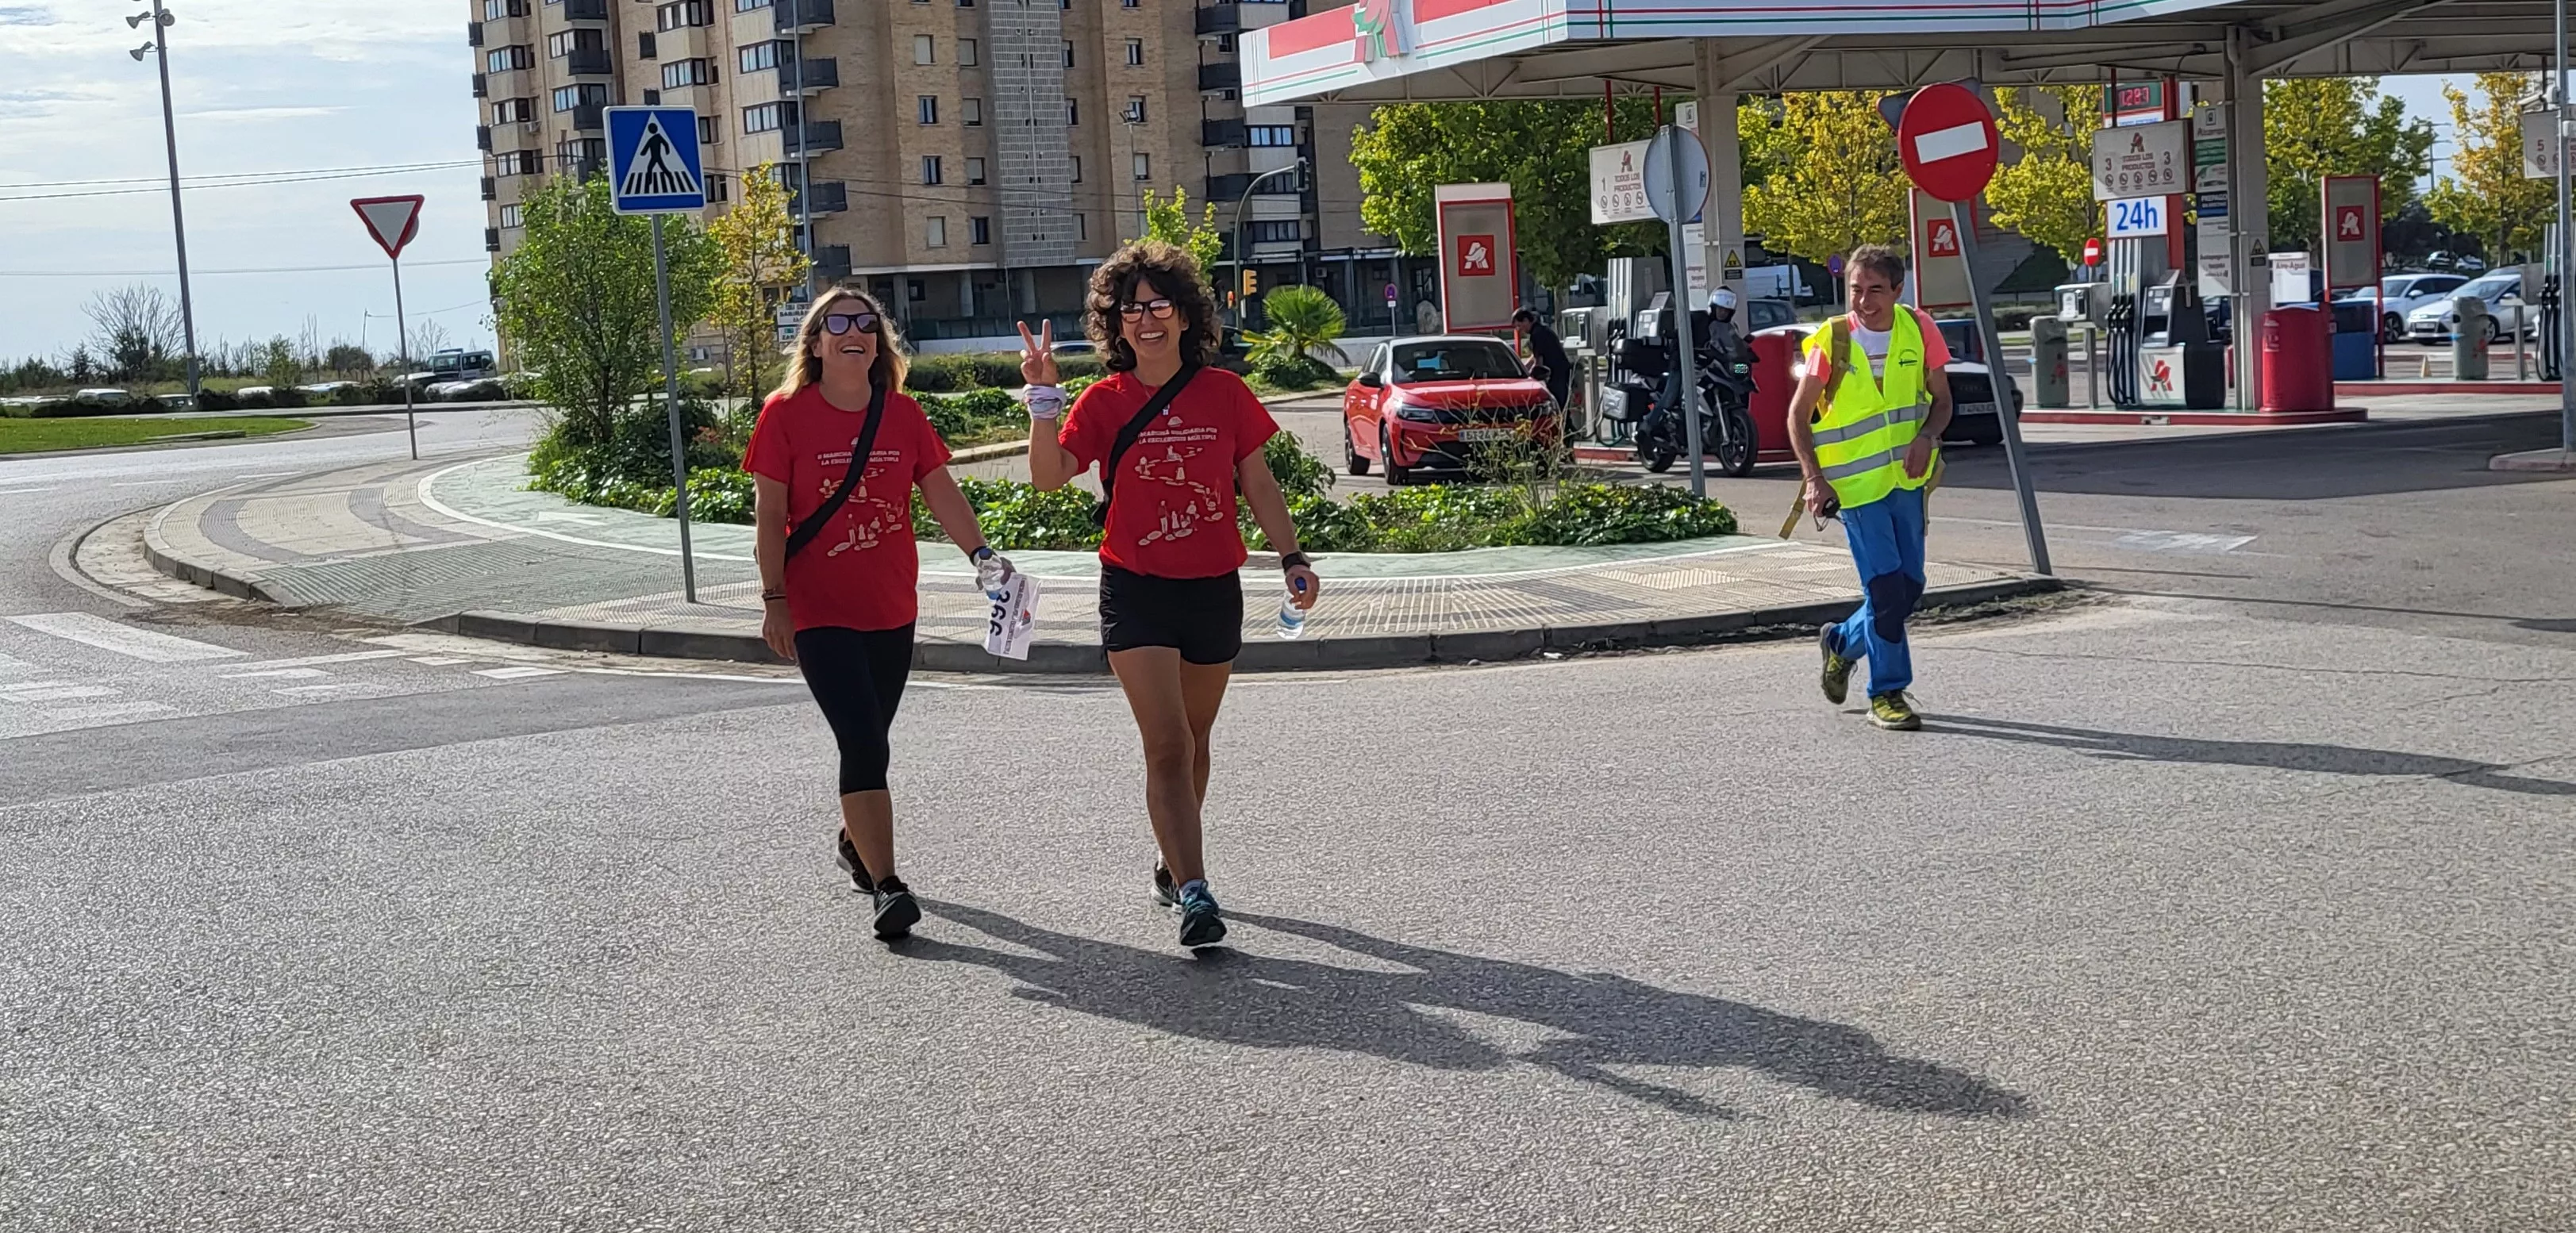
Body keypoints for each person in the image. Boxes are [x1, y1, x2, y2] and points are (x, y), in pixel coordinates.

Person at [1021, 240, 1321, 950]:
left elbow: (1258, 482)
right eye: (1131, 309)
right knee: (1165, 744)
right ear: (1114, 325)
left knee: (1196, 740)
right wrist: (1041, 396)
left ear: (1186, 315)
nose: (1146, 320)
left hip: (1212, 587)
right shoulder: (1103, 401)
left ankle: (1170, 857)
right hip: (1136, 589)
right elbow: (1048, 475)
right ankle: (1195, 890)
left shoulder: (1225, 394)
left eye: (1159, 305)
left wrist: (1292, 557)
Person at [747, 285, 1017, 941]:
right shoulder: (785, 416)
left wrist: (982, 554)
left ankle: (854, 838)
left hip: (892, 606)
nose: (854, 332)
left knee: (875, 739)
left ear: (879, 343)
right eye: (837, 323)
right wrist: (775, 600)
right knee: (861, 739)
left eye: (866, 324)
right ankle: (889, 886)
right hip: (817, 610)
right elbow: (771, 516)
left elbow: (942, 493)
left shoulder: (903, 416)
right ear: (814, 343)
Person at [1784, 245, 1952, 732]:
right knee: (1884, 591)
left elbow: (1942, 402)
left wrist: (1926, 437)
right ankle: (1888, 692)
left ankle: (1840, 643)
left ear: (1899, 291)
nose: (1863, 301)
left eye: (1875, 290)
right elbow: (1797, 416)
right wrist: (1814, 479)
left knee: (1909, 588)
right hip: (1854, 491)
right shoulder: (1832, 340)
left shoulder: (1920, 330)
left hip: (1907, 481)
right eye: (1855, 289)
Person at [1511, 305, 1571, 410]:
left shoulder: (1537, 334)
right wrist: (1522, 368)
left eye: (1520, 326)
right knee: (1561, 410)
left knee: (1556, 409)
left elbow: (1538, 362)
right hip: (1561, 372)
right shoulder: (1542, 330)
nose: (1520, 330)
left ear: (1526, 320)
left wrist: (1528, 377)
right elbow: (1536, 356)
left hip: (1555, 376)